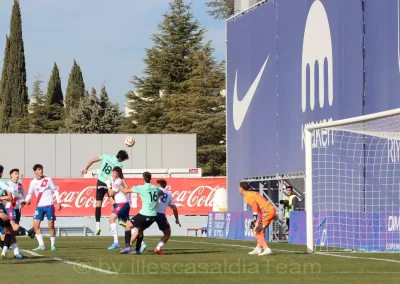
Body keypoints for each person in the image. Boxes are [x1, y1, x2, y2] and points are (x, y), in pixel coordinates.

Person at [81, 150, 129, 235]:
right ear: (121, 159)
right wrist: (125, 185)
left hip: (100, 181)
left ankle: (97, 226)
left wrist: (86, 168)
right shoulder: (119, 165)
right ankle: (120, 219)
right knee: (113, 201)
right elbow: (121, 176)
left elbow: (92, 160)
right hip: (109, 183)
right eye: (123, 160)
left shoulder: (106, 156)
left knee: (98, 205)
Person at [130, 179, 181, 255]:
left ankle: (128, 246)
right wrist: (176, 219)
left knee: (139, 230)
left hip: (151, 213)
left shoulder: (154, 190)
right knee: (167, 233)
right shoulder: (169, 195)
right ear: (165, 185)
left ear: (158, 185)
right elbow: (174, 208)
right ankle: (158, 248)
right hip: (160, 215)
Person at [116, 171, 162, 255]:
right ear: (150, 179)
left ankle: (127, 247)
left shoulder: (142, 187)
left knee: (128, 225)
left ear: (143, 179)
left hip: (145, 213)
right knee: (140, 230)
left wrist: (117, 187)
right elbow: (161, 192)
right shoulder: (155, 188)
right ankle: (137, 250)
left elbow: (126, 190)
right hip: (153, 215)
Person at [25, 164, 62, 251]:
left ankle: (53, 245)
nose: (41, 171)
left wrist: (58, 202)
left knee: (51, 225)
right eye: (39, 169)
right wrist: (25, 201)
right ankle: (41, 245)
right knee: (36, 225)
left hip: (49, 205)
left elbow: (55, 190)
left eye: (41, 169)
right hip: (39, 207)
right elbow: (30, 194)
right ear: (35, 171)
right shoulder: (33, 182)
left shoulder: (48, 179)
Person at [239, 182, 276, 256]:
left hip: (267, 212)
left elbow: (255, 206)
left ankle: (267, 249)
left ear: (241, 189)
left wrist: (254, 219)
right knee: (260, 230)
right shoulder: (252, 193)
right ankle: (258, 248)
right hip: (268, 211)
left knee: (256, 232)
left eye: (239, 188)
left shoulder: (247, 196)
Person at [106, 167, 130, 250]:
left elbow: (111, 193)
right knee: (128, 224)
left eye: (117, 174)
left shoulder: (118, 180)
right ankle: (142, 243)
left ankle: (116, 242)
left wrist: (108, 185)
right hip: (124, 203)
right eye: (114, 173)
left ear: (119, 174)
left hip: (122, 203)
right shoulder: (113, 179)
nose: (115, 175)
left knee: (111, 219)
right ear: (112, 172)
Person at [0, 189, 27, 259]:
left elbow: (11, 196)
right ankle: (28, 233)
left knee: (9, 231)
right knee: (9, 230)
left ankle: (8, 251)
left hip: (2, 208)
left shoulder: (4, 184)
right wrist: (3, 197)